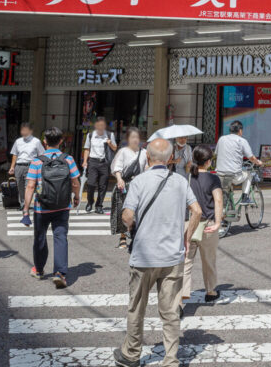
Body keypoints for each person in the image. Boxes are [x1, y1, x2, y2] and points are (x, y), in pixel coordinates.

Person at [114, 138, 201, 367]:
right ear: (170, 158)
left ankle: (131, 354)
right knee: (171, 312)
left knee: (136, 308)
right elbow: (197, 211)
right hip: (173, 257)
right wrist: (187, 236)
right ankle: (170, 360)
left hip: (144, 256)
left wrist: (131, 225)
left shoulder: (140, 181)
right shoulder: (181, 181)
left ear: (148, 157)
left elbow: (127, 216)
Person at [21, 127, 81, 288]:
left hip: (42, 207)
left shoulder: (36, 161)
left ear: (44, 142)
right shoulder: (68, 159)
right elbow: (75, 182)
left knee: (40, 238)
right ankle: (60, 273)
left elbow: (30, 186)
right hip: (62, 206)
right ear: (61, 141)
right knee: (60, 237)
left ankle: (39, 270)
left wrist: (26, 209)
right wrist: (76, 197)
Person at [180, 145, 223, 305]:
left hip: (189, 224)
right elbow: (218, 200)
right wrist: (218, 222)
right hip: (208, 225)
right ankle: (210, 291)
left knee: (186, 262)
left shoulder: (188, 178)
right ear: (208, 162)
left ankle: (181, 298)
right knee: (208, 260)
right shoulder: (213, 179)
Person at [110, 128, 148, 251]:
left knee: (139, 211)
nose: (135, 140)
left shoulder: (144, 152)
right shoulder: (123, 151)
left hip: (139, 185)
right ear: (128, 139)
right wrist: (119, 179)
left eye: (137, 137)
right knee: (123, 210)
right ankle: (122, 237)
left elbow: (147, 167)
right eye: (132, 137)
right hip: (125, 185)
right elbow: (117, 167)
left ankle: (137, 235)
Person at [214, 120, 262, 214]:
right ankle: (245, 197)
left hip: (219, 174)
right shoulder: (242, 141)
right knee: (249, 174)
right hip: (234, 175)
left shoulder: (221, 139)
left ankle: (228, 210)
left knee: (225, 190)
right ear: (240, 130)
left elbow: (216, 153)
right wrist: (258, 162)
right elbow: (251, 157)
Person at [82, 116, 117, 214]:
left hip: (104, 163)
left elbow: (115, 148)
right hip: (93, 162)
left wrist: (110, 143)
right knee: (91, 184)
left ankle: (99, 205)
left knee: (103, 186)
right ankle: (90, 202)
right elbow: (87, 149)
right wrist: (85, 161)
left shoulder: (110, 135)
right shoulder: (90, 135)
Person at [9, 122, 45, 210]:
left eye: (25, 130)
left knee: (28, 186)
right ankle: (22, 202)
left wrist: (40, 167)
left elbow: (42, 155)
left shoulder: (36, 141)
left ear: (31, 131)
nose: (23, 132)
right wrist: (12, 167)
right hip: (19, 166)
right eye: (22, 130)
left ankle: (26, 204)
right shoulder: (18, 141)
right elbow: (14, 154)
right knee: (19, 185)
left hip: (31, 166)